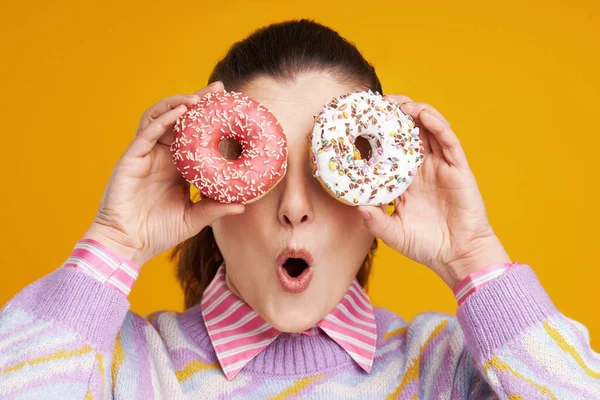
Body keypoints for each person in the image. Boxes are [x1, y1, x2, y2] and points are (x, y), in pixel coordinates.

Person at [0, 19, 598, 400]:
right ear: (206, 190)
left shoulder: (449, 370)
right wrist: (113, 244)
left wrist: (474, 259)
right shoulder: (118, 367)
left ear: (379, 193)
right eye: (257, 171)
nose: (292, 209)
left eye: (326, 173)